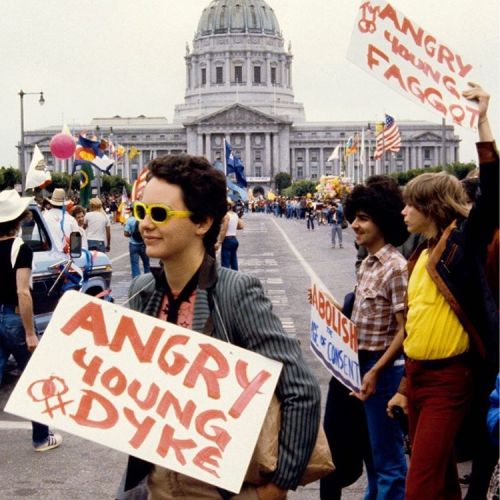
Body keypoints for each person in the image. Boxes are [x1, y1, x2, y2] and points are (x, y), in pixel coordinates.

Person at [118, 154, 321, 499]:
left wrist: (278, 485)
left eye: (159, 214)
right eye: (140, 212)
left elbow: (301, 390)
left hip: (218, 486)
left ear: (202, 223)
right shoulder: (142, 291)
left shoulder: (235, 292)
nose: (145, 224)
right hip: (156, 481)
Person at [388, 83, 499, 499]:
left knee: (419, 486)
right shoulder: (419, 256)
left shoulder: (462, 244)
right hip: (419, 376)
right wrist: (404, 387)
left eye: (409, 205)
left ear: (431, 206)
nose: (402, 211)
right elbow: (417, 325)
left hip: (451, 378)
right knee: (441, 482)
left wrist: (483, 120)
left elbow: (493, 192)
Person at [322, 177, 409, 500]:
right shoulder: (368, 264)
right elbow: (363, 313)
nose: (354, 225)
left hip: (381, 368)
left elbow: (405, 329)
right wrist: (328, 307)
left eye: (363, 218)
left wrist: (374, 371)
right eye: (354, 217)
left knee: (387, 459)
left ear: (382, 221)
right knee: (372, 453)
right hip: (358, 365)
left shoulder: (395, 267)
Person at [0, 190, 62, 452]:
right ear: (19, 219)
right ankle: (40, 437)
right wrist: (29, 332)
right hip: (13, 316)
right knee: (34, 376)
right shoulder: (20, 248)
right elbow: (23, 292)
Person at [42, 188, 80, 253]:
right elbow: (76, 244)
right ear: (64, 204)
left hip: (47, 256)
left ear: (51, 203)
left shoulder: (43, 217)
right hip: (66, 258)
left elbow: (36, 238)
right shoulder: (71, 220)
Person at [216, 201, 244, 271]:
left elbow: (224, 230)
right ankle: (236, 278)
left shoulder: (226, 216)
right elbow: (241, 226)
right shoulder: (235, 215)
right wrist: (233, 226)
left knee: (225, 264)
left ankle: (226, 280)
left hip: (227, 240)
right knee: (234, 262)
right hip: (234, 239)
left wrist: (219, 242)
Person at [123, 208, 151, 278]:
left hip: (133, 245)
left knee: (135, 265)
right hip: (143, 244)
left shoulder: (130, 220)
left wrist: (131, 235)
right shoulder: (144, 219)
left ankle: (136, 282)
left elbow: (125, 233)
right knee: (147, 264)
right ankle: (147, 281)